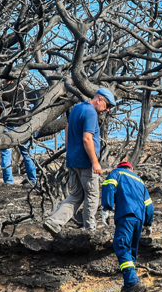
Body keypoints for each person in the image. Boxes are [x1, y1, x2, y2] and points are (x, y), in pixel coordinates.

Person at [43, 88, 117, 233]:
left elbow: (67, 127)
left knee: (76, 194)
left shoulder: (77, 107)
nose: (107, 110)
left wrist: (69, 148)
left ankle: (54, 222)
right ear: (99, 100)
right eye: (107, 105)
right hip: (85, 162)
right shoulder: (91, 112)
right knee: (92, 195)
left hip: (72, 159)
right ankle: (90, 229)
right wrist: (95, 162)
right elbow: (87, 139)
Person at [101, 160, 154, 292]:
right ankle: (128, 288)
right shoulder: (140, 181)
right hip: (139, 219)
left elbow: (109, 187)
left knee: (121, 245)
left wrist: (106, 208)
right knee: (131, 252)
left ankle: (132, 281)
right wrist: (148, 223)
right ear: (131, 168)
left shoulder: (116, 173)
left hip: (125, 215)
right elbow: (149, 205)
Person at [0, 77, 37, 186]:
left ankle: (8, 181)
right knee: (27, 154)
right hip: (22, 125)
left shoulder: (2, 91)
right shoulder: (22, 88)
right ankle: (33, 179)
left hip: (7, 125)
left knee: (6, 155)